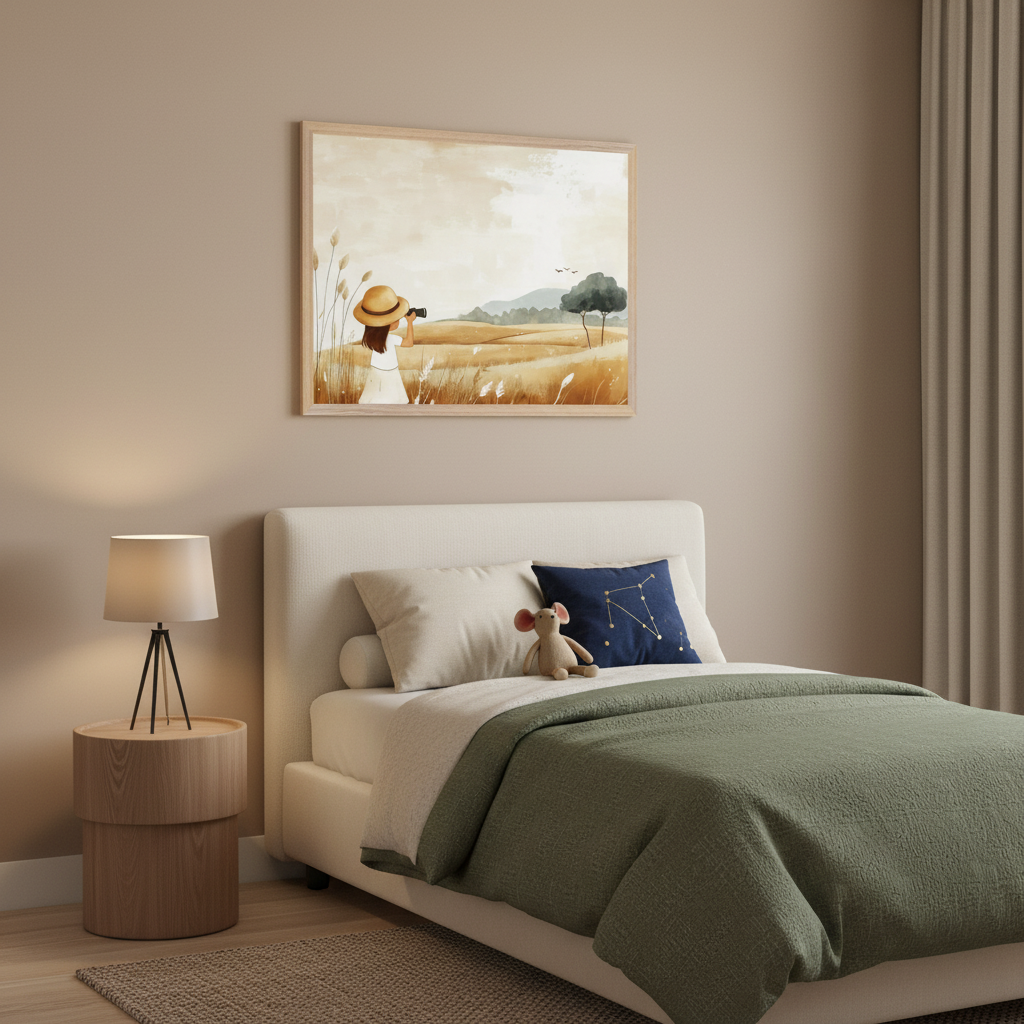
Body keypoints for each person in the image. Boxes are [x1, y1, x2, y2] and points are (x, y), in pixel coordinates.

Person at [353, 285, 418, 404]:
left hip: (375, 373)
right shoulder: (391, 339)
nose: (399, 319)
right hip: (391, 374)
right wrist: (410, 322)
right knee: (393, 401)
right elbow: (409, 343)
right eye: (396, 317)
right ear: (388, 323)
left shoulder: (373, 339)